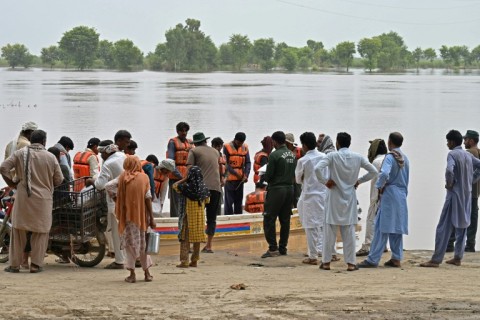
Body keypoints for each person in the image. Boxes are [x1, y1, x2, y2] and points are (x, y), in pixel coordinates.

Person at [1, 130, 64, 273]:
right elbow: (59, 180)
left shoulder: (19, 154)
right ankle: (35, 265)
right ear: (44, 142)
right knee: (40, 232)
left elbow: (3, 168)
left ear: (30, 139)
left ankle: (15, 265)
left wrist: (12, 184)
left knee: (18, 231)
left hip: (23, 198)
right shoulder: (50, 157)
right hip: (43, 200)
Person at [315, 132, 377, 271]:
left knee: (329, 230)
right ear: (349, 143)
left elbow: (317, 168)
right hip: (349, 197)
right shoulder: (357, 157)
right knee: (349, 231)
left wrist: (325, 181)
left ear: (337, 143)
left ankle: (326, 262)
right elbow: (373, 171)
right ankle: (351, 263)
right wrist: (359, 181)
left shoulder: (331, 156)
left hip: (333, 197)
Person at [420, 130, 480, 268]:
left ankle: (436, 259)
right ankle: (458, 257)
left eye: (448, 141)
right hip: (467, 196)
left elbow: (449, 170)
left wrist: (449, 183)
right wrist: (471, 179)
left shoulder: (452, 154)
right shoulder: (467, 155)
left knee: (443, 227)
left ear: (452, 142)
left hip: (454, 195)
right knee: (462, 226)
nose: (447, 144)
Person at [357, 133, 410, 268]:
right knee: (396, 228)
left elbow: (385, 173)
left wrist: (379, 186)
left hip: (390, 194)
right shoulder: (405, 159)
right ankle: (396, 258)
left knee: (381, 227)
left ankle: (373, 259)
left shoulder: (390, 158)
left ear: (389, 142)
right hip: (402, 195)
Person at [85, 139, 127, 269]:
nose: (100, 155)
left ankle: (119, 261)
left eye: (102, 153)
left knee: (116, 232)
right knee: (127, 230)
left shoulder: (108, 163)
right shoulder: (122, 156)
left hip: (115, 202)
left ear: (107, 152)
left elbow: (100, 185)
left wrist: (91, 181)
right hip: (128, 199)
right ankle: (132, 257)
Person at [115, 156, 156, 283]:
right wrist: (152, 218)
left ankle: (132, 275)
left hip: (127, 218)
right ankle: (147, 274)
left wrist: (117, 200)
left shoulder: (122, 177)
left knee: (130, 245)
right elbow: (148, 198)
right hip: (141, 217)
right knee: (143, 245)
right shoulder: (144, 177)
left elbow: (108, 186)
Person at [261, 131, 296, 258]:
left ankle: (272, 248)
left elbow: (269, 176)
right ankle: (283, 247)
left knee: (269, 218)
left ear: (275, 141)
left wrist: (264, 177)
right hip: (289, 189)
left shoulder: (274, 155)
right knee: (285, 220)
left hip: (276, 190)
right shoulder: (292, 155)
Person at [185, 132, 222, 253]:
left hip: (200, 189)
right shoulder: (216, 152)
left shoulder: (193, 151)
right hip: (216, 188)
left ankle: (191, 245)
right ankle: (209, 246)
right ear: (205, 141)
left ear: (195, 143)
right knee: (212, 218)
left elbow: (189, 169)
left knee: (196, 216)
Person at [295, 132, 327, 265]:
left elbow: (297, 179)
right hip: (323, 194)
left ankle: (313, 255)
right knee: (323, 224)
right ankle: (325, 251)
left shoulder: (303, 160)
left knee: (310, 226)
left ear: (304, 145)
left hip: (309, 195)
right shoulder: (325, 157)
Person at [447, 130, 480, 252]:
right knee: (471, 218)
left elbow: (455, 171)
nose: (464, 142)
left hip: (466, 192)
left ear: (471, 140)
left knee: (457, 216)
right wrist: (473, 179)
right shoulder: (478, 151)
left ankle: (450, 244)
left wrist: (468, 180)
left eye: (466, 140)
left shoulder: (469, 153)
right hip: (474, 192)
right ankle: (470, 245)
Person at [356, 139, 388, 257]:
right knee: (383, 221)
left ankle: (367, 246)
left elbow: (371, 174)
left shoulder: (376, 161)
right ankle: (383, 245)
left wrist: (358, 181)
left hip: (376, 196)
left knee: (371, 220)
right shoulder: (389, 159)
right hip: (388, 196)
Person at [173, 166, 210, 268]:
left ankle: (184, 261)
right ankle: (194, 261)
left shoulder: (186, 188)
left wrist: (184, 179)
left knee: (185, 239)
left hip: (188, 217)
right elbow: (207, 201)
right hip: (199, 218)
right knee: (196, 240)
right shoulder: (204, 189)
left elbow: (175, 185)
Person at [167, 122, 193, 217]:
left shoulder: (190, 143)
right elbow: (170, 163)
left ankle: (185, 222)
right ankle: (174, 222)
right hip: (176, 178)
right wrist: (181, 176)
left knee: (187, 202)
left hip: (187, 178)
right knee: (175, 203)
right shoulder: (172, 142)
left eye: (186, 131)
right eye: (182, 131)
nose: (184, 132)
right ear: (177, 131)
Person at [223, 132, 251, 215]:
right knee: (229, 202)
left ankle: (238, 219)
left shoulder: (245, 147)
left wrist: (246, 175)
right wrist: (236, 174)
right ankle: (228, 219)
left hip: (240, 180)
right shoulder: (227, 147)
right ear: (235, 140)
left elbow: (248, 162)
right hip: (229, 179)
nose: (240, 145)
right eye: (239, 143)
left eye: (241, 143)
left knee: (239, 202)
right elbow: (226, 164)